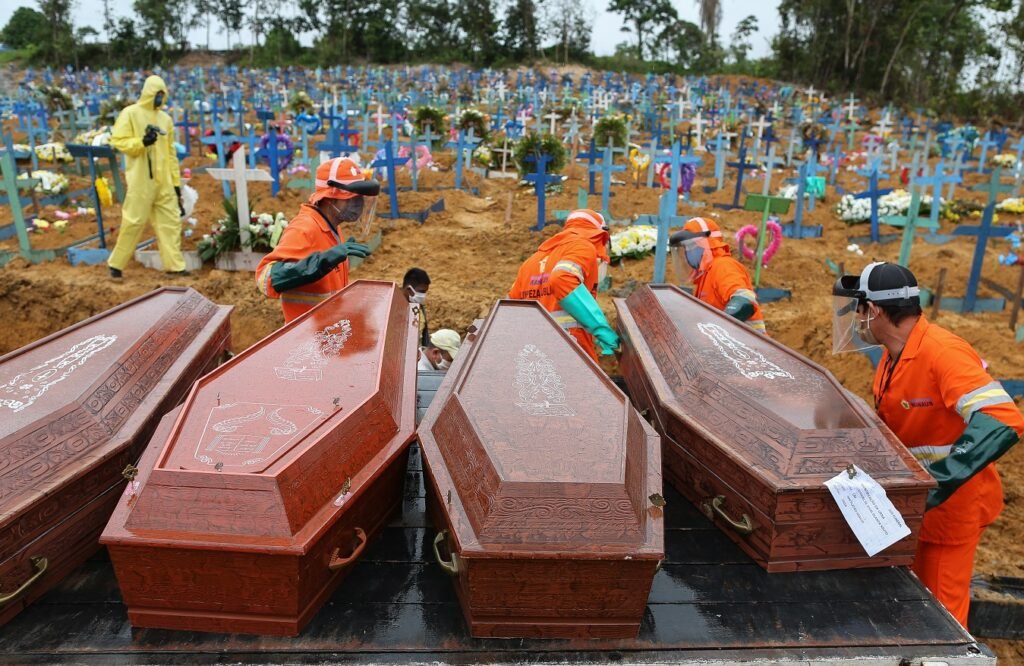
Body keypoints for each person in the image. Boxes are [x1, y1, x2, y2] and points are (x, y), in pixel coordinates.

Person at [832, 261, 1023, 626]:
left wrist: (938, 481)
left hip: (950, 513)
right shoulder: (893, 355)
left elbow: (1003, 415)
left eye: (858, 309)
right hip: (918, 508)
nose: (856, 319)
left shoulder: (942, 352)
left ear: (874, 310)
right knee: (914, 606)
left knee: (941, 620)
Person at [256, 157, 378, 323]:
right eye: (350, 198)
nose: (358, 204)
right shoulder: (304, 229)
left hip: (326, 333)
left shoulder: (333, 227)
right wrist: (321, 262)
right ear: (328, 197)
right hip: (304, 337)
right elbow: (266, 278)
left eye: (359, 198)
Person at [508, 208, 618, 362]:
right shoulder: (583, 247)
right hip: (570, 347)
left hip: (532, 351)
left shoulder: (531, 261)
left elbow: (510, 307)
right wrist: (599, 327)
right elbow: (562, 278)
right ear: (599, 234)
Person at [107, 75, 187, 279]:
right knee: (134, 221)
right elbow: (118, 141)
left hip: (164, 182)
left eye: (162, 94)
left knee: (170, 223)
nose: (159, 98)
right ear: (148, 93)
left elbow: (170, 154)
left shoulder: (165, 120)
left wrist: (176, 184)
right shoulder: (131, 113)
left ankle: (175, 266)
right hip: (141, 180)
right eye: (156, 94)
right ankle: (116, 264)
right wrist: (141, 142)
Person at [669, 217, 766, 333]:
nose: (688, 252)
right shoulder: (704, 278)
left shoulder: (723, 266)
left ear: (707, 242)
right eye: (686, 248)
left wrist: (720, 326)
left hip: (750, 346)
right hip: (731, 346)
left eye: (692, 246)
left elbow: (744, 301)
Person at [403, 267, 431, 347]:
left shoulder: (419, 309)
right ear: (409, 289)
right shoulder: (393, 306)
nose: (423, 296)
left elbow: (424, 339)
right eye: (421, 292)